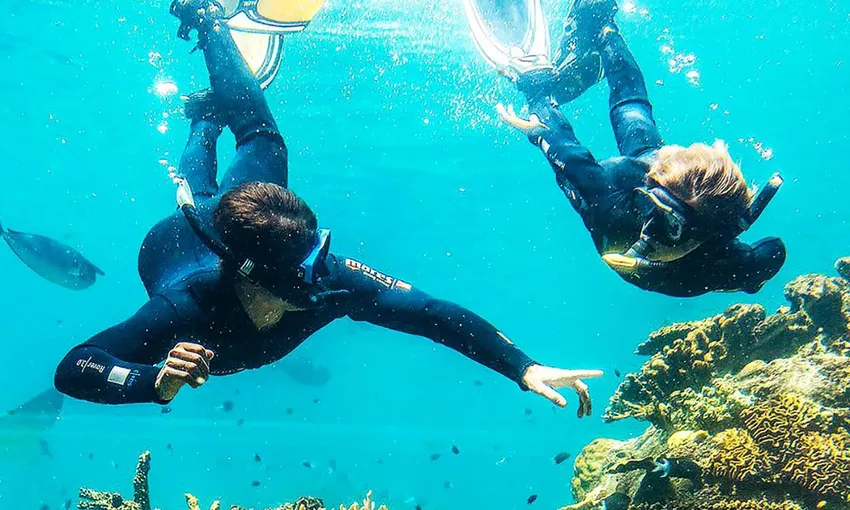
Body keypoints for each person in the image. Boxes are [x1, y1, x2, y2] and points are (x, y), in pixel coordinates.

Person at [54, 0, 602, 416]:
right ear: (257, 276)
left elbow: (431, 314)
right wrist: (152, 383)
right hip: (174, 244)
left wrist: (523, 367)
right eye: (310, 266)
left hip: (252, 220)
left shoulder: (323, 274)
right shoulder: (184, 310)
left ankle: (209, 21)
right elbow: (75, 367)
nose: (327, 272)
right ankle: (201, 119)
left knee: (265, 140)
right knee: (198, 194)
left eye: (322, 250)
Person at [463, 0, 786, 297]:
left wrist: (534, 90)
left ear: (707, 233)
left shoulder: (723, 263)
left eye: (667, 224)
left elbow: (774, 252)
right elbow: (563, 144)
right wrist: (538, 97)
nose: (648, 234)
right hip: (633, 182)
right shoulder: (613, 195)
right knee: (632, 112)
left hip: (645, 190)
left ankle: (574, 65)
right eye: (653, 210)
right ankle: (604, 30)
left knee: (630, 118)